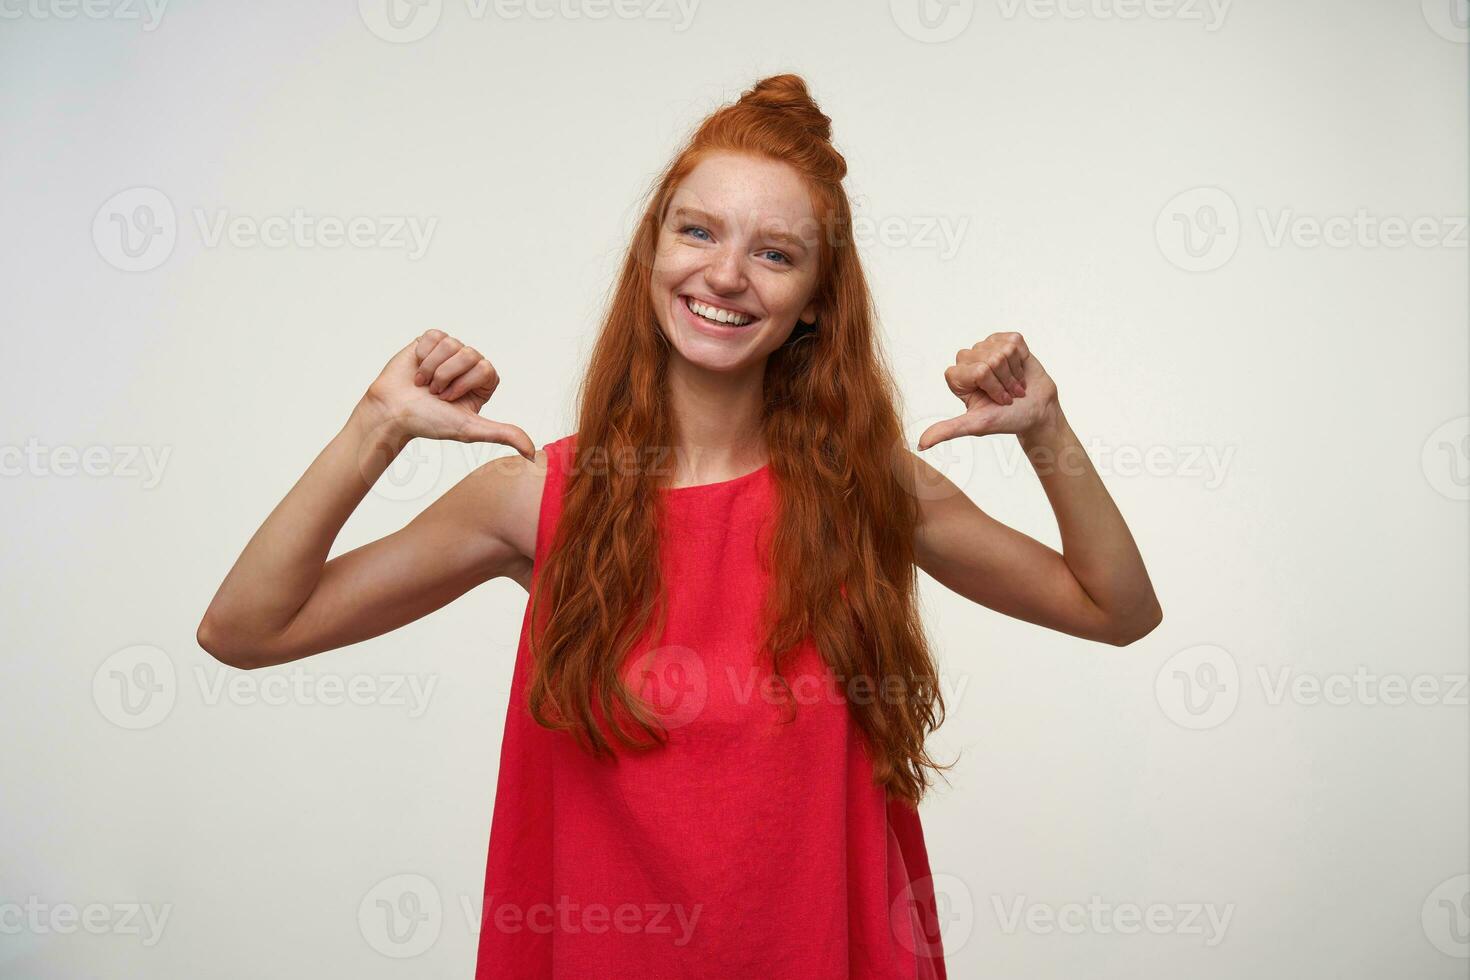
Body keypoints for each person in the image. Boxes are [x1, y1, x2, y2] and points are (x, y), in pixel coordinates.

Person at [197, 73, 1162, 979]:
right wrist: (377, 425)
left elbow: (1114, 608)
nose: (727, 274)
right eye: (698, 232)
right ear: (653, 250)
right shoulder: (539, 497)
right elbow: (246, 629)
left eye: (775, 252)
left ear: (817, 301)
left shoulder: (869, 490)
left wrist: (1046, 430)